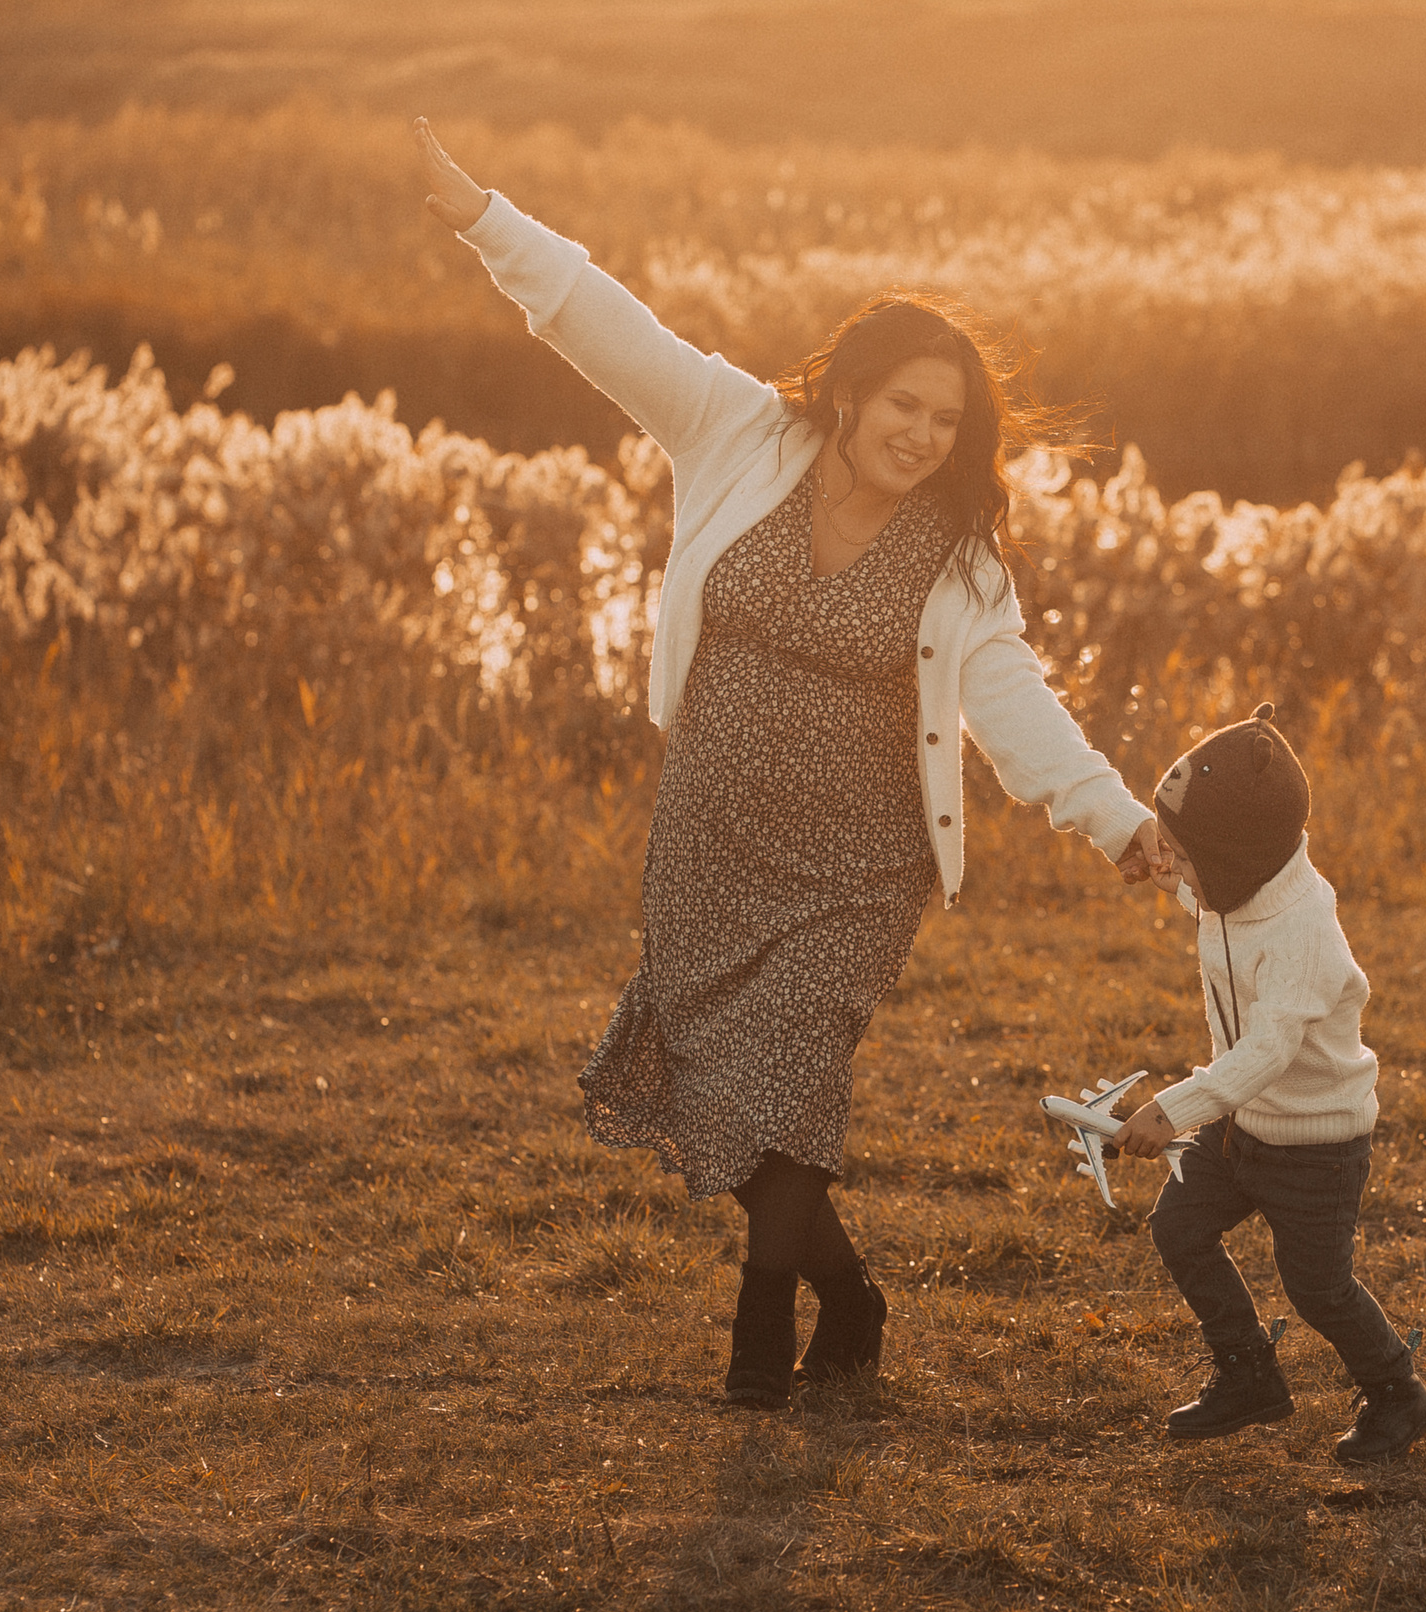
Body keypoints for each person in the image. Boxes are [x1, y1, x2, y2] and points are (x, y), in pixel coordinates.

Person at [412, 120, 1169, 1409]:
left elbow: (1014, 705)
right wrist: (479, 212)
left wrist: (1118, 820)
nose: (924, 435)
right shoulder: (735, 434)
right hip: (711, 834)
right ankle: (856, 1297)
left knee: (795, 1085)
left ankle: (760, 1344)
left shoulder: (959, 563)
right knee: (726, 1090)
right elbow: (600, 319)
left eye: (948, 419)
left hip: (859, 866)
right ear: (851, 392)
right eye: (905, 405)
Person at [1112, 704, 1426, 1465]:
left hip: (1315, 1143)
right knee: (1178, 1227)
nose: (1178, 871)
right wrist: (1161, 870)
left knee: (1319, 1287)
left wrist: (1172, 1108)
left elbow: (1265, 1052)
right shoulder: (1237, 885)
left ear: (1235, 858)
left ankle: (1398, 1390)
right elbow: (1207, 898)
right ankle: (1247, 1371)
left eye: (1186, 858)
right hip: (1239, 1127)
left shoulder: (1302, 929)